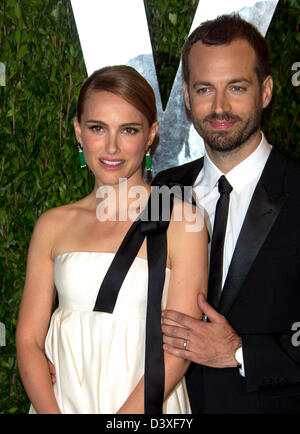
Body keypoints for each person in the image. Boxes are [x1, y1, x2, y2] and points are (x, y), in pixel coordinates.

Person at [15, 65, 208, 414]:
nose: (112, 147)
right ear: (78, 130)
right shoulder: (52, 225)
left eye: (128, 130)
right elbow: (28, 341)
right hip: (61, 404)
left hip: (146, 406)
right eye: (97, 128)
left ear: (151, 134)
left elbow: (179, 347)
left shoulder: (185, 222)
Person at [153, 14, 300, 413]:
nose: (219, 107)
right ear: (185, 96)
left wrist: (239, 352)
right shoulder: (161, 189)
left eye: (236, 87)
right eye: (205, 89)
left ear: (266, 91)